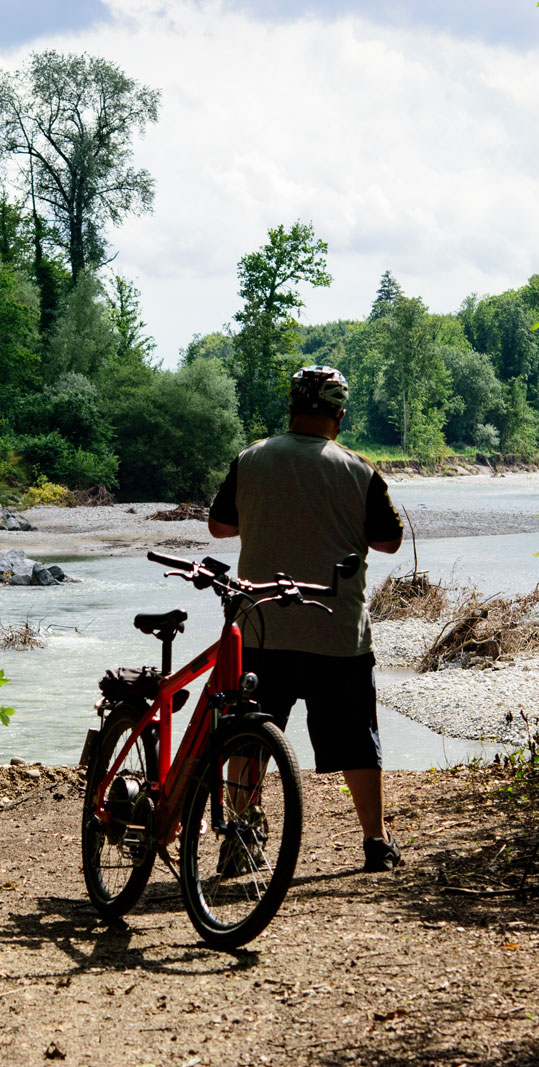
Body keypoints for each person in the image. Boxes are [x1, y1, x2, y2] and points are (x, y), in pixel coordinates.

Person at [207, 365, 405, 872]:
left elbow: (219, 526)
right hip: (335, 630)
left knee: (248, 733)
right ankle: (375, 843)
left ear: (292, 409)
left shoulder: (251, 458)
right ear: (339, 414)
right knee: (357, 738)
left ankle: (242, 838)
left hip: (259, 627)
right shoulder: (357, 469)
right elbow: (389, 541)